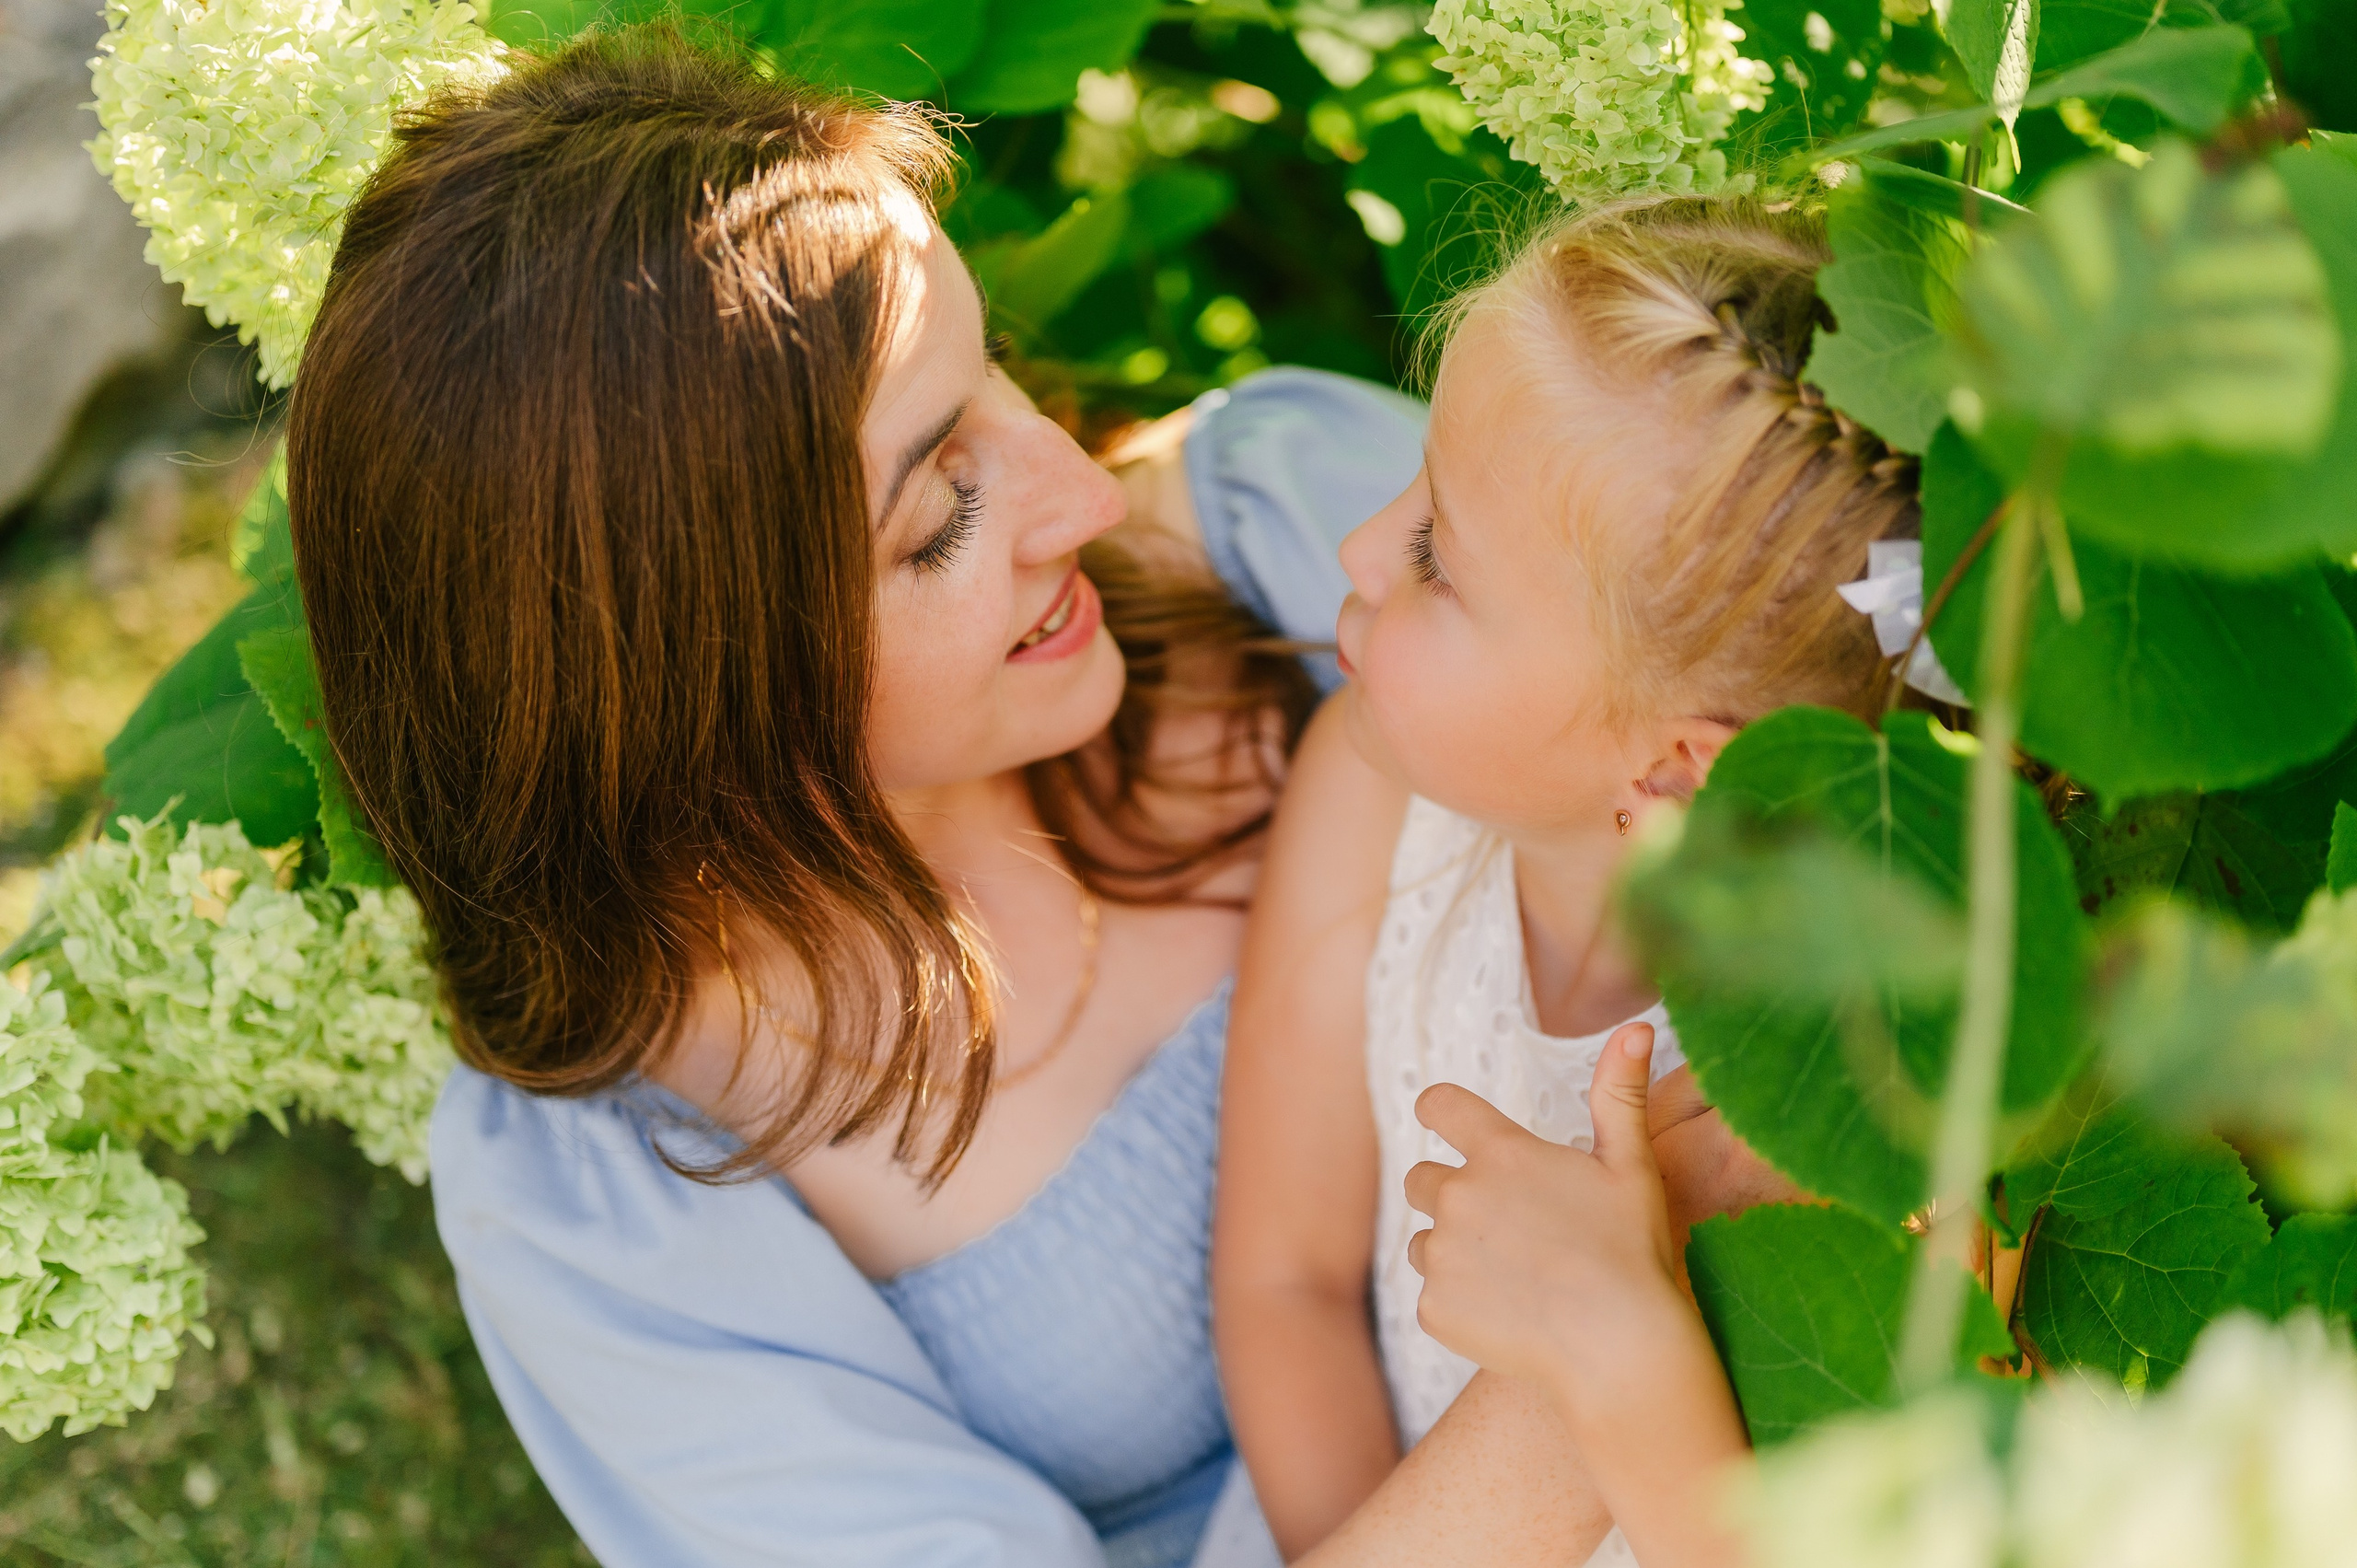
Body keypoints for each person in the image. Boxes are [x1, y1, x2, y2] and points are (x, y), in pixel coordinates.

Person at [283, 27, 1426, 1568]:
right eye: (942, 514)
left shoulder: (1289, 531)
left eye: (993, 371)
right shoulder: (616, 1192)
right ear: (693, 684)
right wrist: (1606, 1368)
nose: (1082, 496)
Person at [1216, 196, 1922, 1564]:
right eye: (1416, 484)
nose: (1362, 548)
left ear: (1680, 770)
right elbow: (1284, 1283)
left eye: (1439, 557)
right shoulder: (1373, 796)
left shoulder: (1839, 1110)